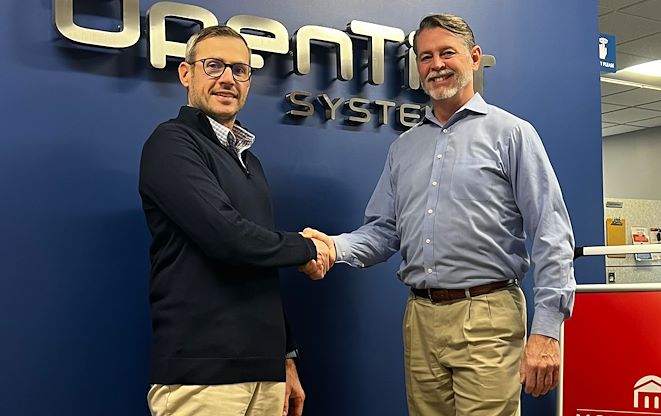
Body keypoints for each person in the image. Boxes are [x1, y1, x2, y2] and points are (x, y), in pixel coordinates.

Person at [303, 14, 576, 415]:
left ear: (475, 57)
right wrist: (333, 247)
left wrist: (547, 332)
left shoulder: (512, 134)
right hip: (420, 319)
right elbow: (382, 232)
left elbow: (552, 234)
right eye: (426, 56)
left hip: (488, 317)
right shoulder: (404, 147)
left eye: (447, 52)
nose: (437, 65)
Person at [139, 25, 330, 416]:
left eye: (239, 70)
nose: (227, 78)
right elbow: (228, 238)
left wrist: (285, 356)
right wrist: (307, 247)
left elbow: (259, 261)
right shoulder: (171, 143)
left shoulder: (249, 162)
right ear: (186, 73)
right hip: (202, 376)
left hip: (265, 374)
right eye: (213, 66)